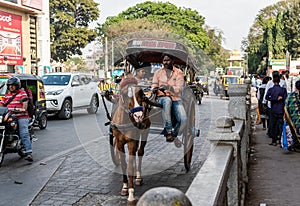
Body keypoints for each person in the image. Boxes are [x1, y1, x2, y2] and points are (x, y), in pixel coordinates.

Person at [151, 53, 187, 148]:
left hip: (176, 98)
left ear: (172, 61)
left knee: (183, 120)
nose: (166, 62)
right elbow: (154, 84)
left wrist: (168, 87)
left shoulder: (179, 73)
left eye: (168, 60)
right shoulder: (158, 72)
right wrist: (154, 88)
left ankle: (174, 135)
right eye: (164, 61)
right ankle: (168, 131)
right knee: (167, 101)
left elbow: (178, 89)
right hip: (161, 98)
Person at [0, 77, 33, 161]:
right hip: (9, 116)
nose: (11, 87)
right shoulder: (6, 96)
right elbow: (1, 105)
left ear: (17, 86)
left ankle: (29, 152)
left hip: (21, 116)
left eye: (13, 85)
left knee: (24, 133)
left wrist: (20, 109)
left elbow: (25, 106)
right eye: (10, 85)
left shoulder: (22, 94)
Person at [265, 72, 287, 146]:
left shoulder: (271, 90)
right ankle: (281, 141)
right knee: (280, 125)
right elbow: (285, 98)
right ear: (279, 81)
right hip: (281, 109)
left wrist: (274, 99)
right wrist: (280, 99)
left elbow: (266, 97)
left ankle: (274, 141)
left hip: (273, 109)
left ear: (273, 81)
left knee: (273, 125)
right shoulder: (283, 90)